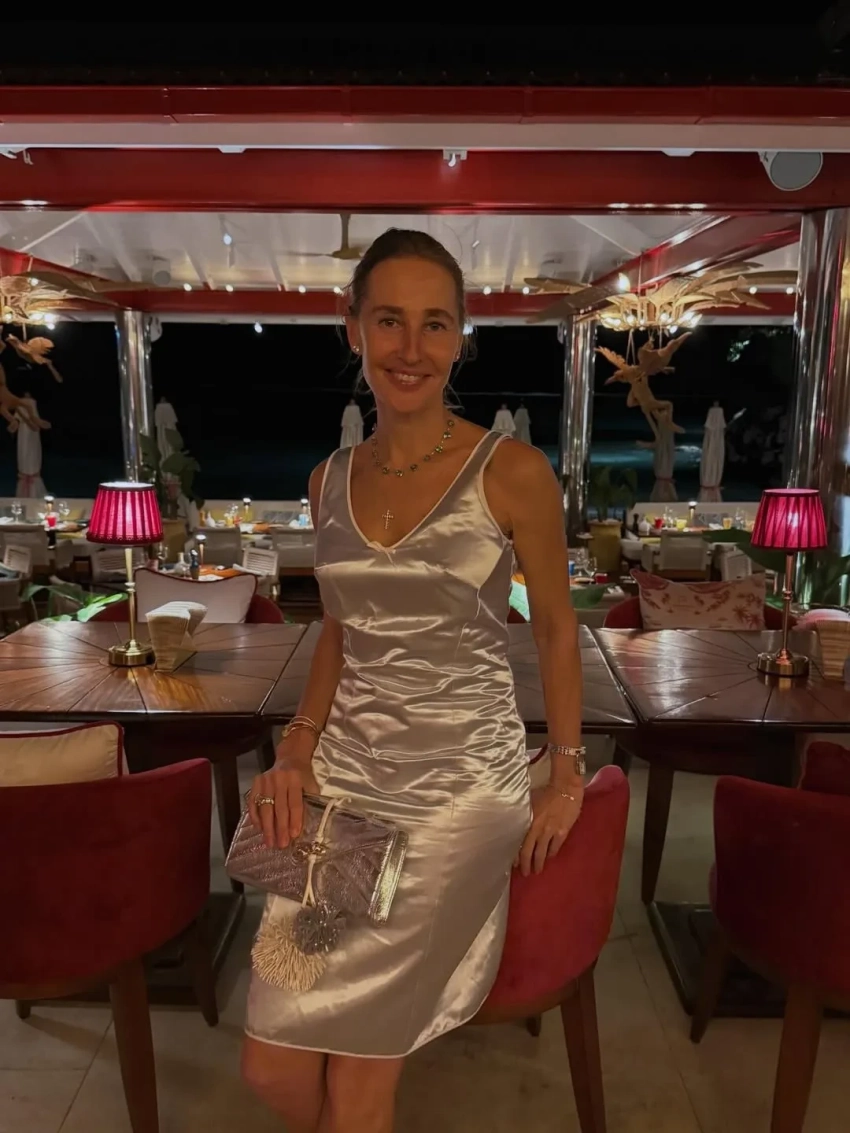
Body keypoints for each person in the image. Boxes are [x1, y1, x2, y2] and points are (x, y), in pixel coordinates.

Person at [242, 229, 583, 1133]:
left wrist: (567, 769)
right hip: (344, 786)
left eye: (435, 323)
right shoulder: (327, 479)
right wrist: (297, 749)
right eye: (389, 319)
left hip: (458, 792)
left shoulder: (511, 471)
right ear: (351, 326)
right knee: (272, 1063)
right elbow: (339, 630)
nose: (411, 347)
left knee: (359, 1083)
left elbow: (556, 626)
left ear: (461, 337)